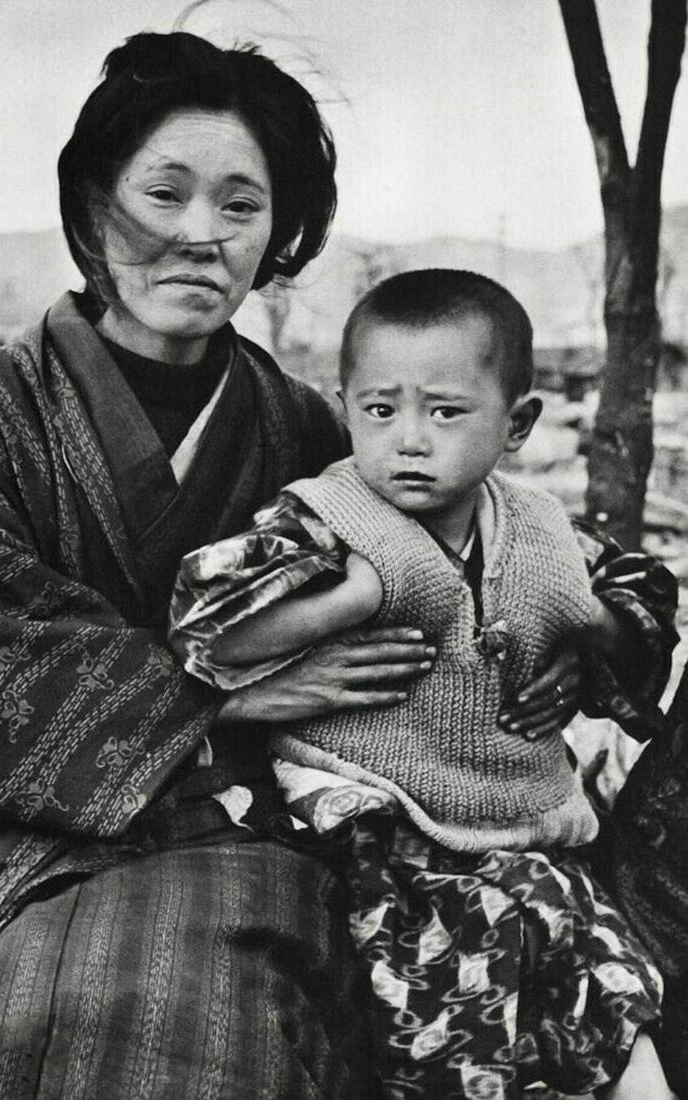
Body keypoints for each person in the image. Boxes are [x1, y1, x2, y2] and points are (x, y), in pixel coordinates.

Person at [0, 30, 677, 1100]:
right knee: (137, 985)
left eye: (240, 206)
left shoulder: (306, 429)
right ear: (96, 202)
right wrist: (228, 690)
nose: (198, 235)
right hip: (26, 839)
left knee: (245, 985)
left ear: (276, 232)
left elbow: (537, 549)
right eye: (164, 193)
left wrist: (576, 638)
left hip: (255, 830)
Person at [169, 270, 675, 1098]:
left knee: (603, 973)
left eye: (444, 412)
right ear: (345, 409)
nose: (408, 439)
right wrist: (350, 598)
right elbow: (204, 628)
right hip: (369, 819)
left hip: (516, 819)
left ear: (517, 426)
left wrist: (590, 631)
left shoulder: (543, 528)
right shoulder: (327, 518)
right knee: (456, 982)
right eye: (379, 410)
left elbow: (640, 596)